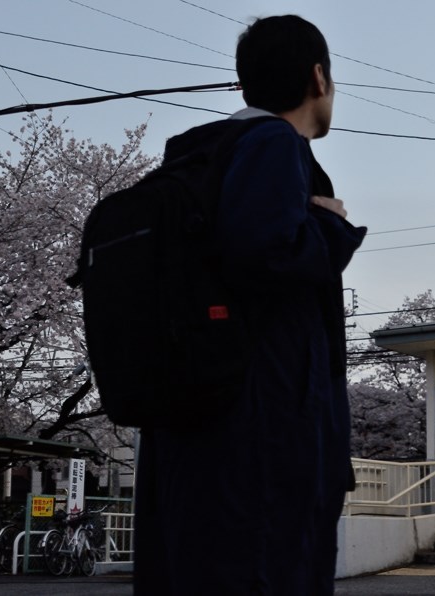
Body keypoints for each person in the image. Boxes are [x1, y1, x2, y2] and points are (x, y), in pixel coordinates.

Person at [132, 15, 366, 596]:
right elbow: (267, 253)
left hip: (203, 425)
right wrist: (331, 227)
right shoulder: (271, 144)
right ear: (319, 77)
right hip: (263, 439)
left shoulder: (202, 161)